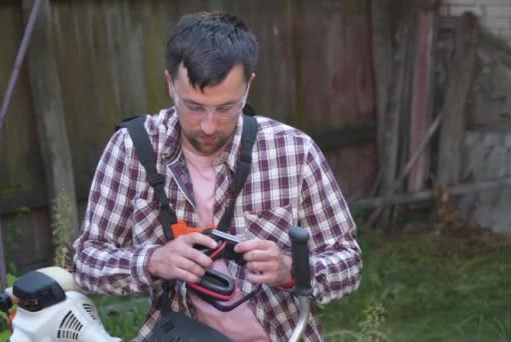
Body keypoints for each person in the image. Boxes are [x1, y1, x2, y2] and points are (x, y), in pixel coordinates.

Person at [72, 11, 362, 342]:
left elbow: (348, 262)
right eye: (194, 107)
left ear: (249, 86)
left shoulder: (294, 150)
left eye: (225, 108)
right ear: (170, 84)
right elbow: (87, 261)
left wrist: (291, 271)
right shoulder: (133, 149)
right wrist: (153, 260)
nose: (209, 126)